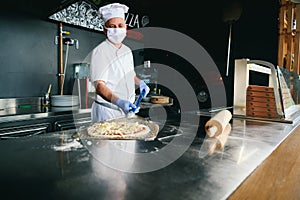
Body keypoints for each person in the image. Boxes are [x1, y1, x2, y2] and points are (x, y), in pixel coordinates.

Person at [90, 3, 150, 123]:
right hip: (108, 112)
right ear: (105, 30)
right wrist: (119, 101)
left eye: (120, 25)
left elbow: (130, 75)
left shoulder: (127, 51)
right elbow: (99, 86)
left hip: (128, 111)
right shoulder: (100, 51)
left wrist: (140, 83)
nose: (117, 29)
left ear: (126, 28)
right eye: (112, 26)